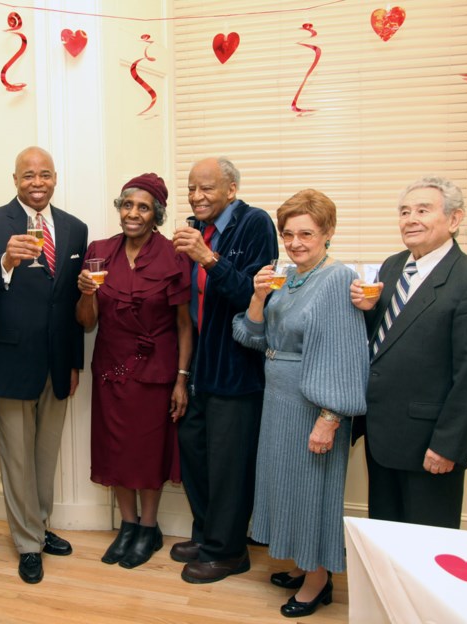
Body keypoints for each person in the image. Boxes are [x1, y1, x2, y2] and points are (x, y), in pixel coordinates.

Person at [233, 189, 368, 617]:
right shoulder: (288, 277)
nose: (295, 242)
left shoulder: (337, 279)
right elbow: (251, 338)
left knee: (313, 491)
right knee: (286, 486)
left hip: (314, 404)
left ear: (328, 233)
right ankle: (302, 564)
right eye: (287, 233)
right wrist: (257, 297)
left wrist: (330, 418)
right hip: (279, 401)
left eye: (306, 233)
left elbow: (346, 354)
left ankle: (318, 580)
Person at [0, 146, 88, 584]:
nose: (37, 182)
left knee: (44, 455)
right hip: (9, 361)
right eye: (28, 175)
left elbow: (70, 301)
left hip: (57, 364)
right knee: (16, 458)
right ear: (14, 180)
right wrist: (5, 261)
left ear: (55, 178)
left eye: (45, 174)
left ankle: (39, 523)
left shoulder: (74, 228)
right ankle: (28, 543)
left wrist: (74, 362)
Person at [351, 176, 467, 529]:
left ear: (454, 219)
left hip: (429, 443)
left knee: (427, 545)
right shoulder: (391, 266)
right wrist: (368, 309)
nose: (410, 219)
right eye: (405, 211)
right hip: (381, 433)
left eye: (423, 210)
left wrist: (449, 444)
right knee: (385, 537)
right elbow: (385, 341)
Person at [76, 173, 191, 569]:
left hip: (156, 370)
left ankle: (148, 527)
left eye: (143, 207)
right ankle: (127, 526)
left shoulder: (173, 255)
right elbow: (86, 321)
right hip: (110, 367)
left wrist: (181, 379)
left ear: (155, 214)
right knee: (116, 449)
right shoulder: (100, 251)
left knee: (147, 452)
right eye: (127, 205)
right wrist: (87, 293)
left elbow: (184, 325)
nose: (133, 213)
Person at [171, 157, 278, 584]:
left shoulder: (255, 224)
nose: (197, 196)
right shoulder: (197, 228)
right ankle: (208, 534)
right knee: (196, 454)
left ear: (231, 190)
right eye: (192, 188)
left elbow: (253, 296)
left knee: (229, 465)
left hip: (237, 370)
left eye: (207, 189)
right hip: (199, 367)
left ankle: (229, 551)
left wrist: (209, 259)